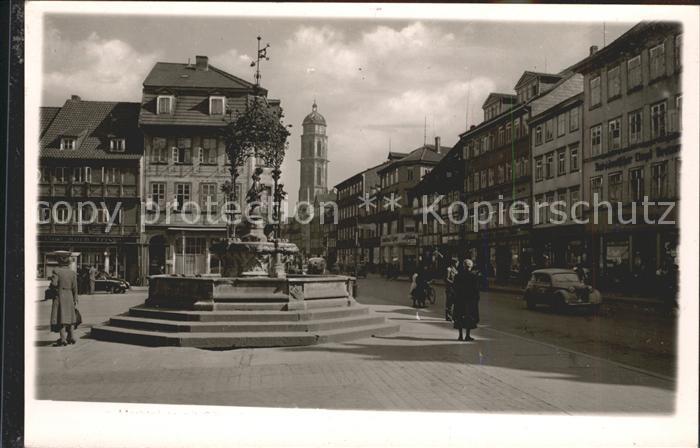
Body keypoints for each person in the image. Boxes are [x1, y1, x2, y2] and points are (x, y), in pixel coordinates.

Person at [50, 253, 79, 346]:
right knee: (70, 317)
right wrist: (75, 298)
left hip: (60, 295)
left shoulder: (56, 271)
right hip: (70, 295)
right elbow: (75, 287)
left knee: (60, 317)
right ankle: (71, 337)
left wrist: (51, 284)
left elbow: (54, 284)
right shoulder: (72, 272)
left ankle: (63, 339)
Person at [453, 258, 480, 341]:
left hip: (459, 299)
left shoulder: (458, 275)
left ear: (463, 266)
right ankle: (467, 335)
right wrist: (477, 298)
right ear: (470, 266)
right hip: (470, 300)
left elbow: (455, 287)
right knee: (469, 317)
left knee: (459, 316)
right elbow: (476, 289)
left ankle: (460, 335)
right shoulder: (473, 276)